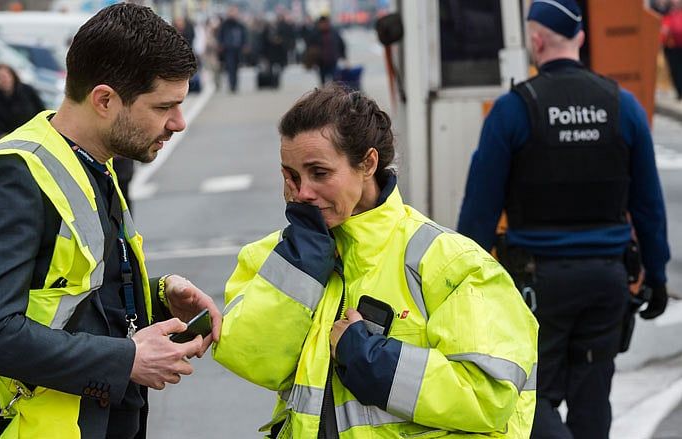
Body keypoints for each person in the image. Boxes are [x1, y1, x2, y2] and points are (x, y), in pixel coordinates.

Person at [0, 4, 222, 438]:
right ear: (105, 100)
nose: (179, 122)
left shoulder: (92, 162)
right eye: (163, 106)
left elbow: (72, 299)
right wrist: (125, 360)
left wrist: (160, 297)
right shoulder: (13, 176)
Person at [212, 84, 538, 438]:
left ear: (368, 163)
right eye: (291, 176)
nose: (302, 192)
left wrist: (372, 360)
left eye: (319, 173)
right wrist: (301, 265)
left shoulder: (451, 264)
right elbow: (254, 361)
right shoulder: (277, 257)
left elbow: (488, 397)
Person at [457, 1, 670, 438]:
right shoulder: (622, 106)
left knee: (532, 399)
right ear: (582, 39)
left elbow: (479, 210)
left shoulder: (514, 110)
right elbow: (648, 204)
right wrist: (659, 275)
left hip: (538, 287)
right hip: (607, 282)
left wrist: (463, 287)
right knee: (593, 401)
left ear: (535, 41)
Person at [0, 63, 46, 141]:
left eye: (6, 76)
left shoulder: (27, 91)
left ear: (13, 76)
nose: (4, 80)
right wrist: (4, 138)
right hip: (12, 143)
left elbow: (42, 111)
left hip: (35, 136)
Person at [308, 15, 346, 85]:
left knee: (336, 81)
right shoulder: (315, 33)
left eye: (326, 23)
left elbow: (341, 44)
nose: (324, 25)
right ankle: (324, 95)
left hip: (333, 60)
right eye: (322, 23)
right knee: (322, 82)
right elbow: (310, 47)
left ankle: (335, 95)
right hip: (321, 62)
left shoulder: (334, 32)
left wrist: (344, 57)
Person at [218, 5, 248, 93]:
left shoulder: (240, 24)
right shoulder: (225, 24)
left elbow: (244, 35)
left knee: (236, 67)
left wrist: (245, 45)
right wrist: (221, 44)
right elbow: (220, 36)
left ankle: (235, 84)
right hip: (228, 49)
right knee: (230, 67)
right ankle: (232, 85)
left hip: (238, 49)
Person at [661, 0, 682, 99]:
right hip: (671, 47)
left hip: (676, 46)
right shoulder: (667, 13)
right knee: (675, 70)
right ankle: (679, 91)